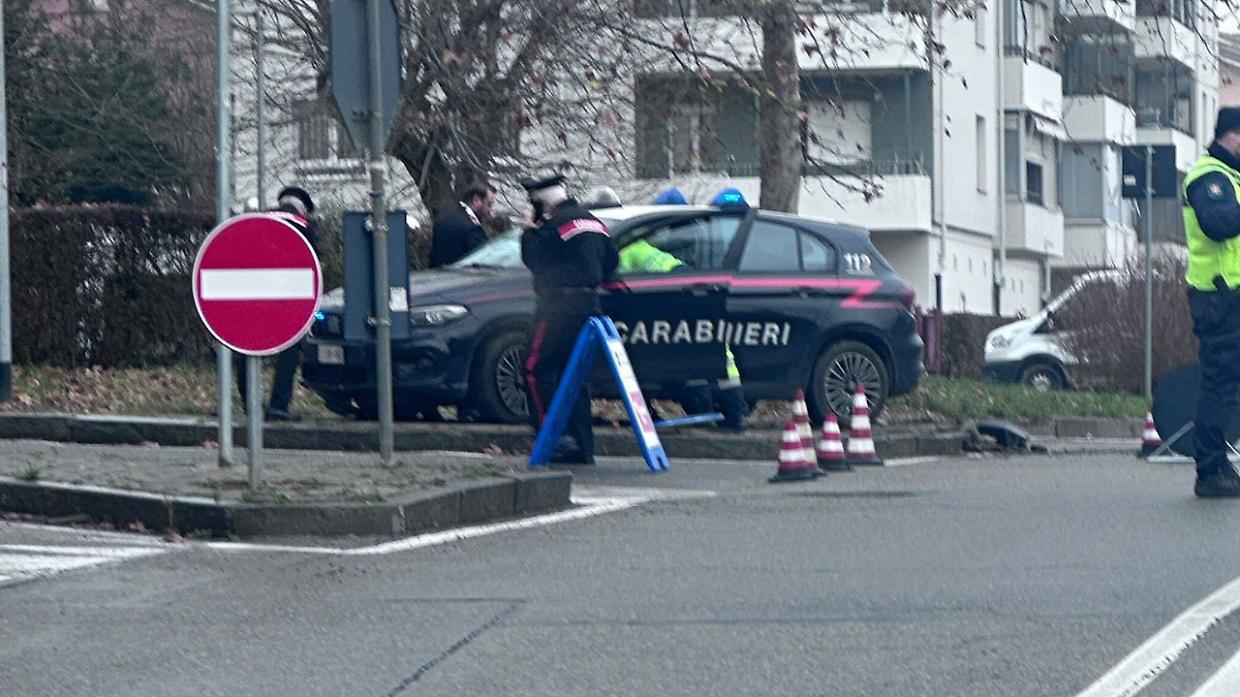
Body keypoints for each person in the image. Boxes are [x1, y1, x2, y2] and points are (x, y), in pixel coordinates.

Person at [521, 174, 619, 464]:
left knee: (534, 369)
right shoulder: (595, 223)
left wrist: (528, 232)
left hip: (556, 309)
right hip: (590, 307)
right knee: (574, 375)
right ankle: (582, 445)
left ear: (541, 203)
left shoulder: (552, 227)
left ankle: (550, 438)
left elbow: (535, 261)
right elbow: (612, 264)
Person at [1183, 106, 1240, 497]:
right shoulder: (1209, 176)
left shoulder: (1232, 178)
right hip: (1218, 297)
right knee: (1220, 384)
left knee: (1228, 384)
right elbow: (1218, 224)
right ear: (1231, 135)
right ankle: (1210, 469)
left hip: (1229, 296)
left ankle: (1219, 463)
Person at [237, 185, 318, 421]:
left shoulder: (258, 219)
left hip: (252, 298)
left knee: (247, 348)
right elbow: (313, 268)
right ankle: (278, 406)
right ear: (302, 207)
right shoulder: (304, 226)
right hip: (286, 301)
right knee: (289, 351)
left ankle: (250, 405)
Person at [429, 183, 495, 268]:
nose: (490, 210)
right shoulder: (472, 228)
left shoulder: (444, 217)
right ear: (476, 200)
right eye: (489, 204)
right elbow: (483, 261)